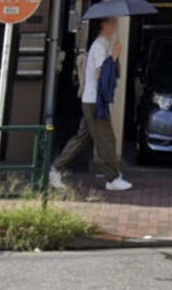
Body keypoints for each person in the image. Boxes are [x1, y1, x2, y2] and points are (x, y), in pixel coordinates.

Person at [49, 18, 132, 192]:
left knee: (81, 137)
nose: (115, 27)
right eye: (112, 23)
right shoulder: (100, 46)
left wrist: (115, 55)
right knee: (106, 140)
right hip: (95, 102)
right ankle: (112, 178)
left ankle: (56, 168)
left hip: (92, 100)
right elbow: (101, 73)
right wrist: (115, 56)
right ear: (104, 26)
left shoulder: (103, 45)